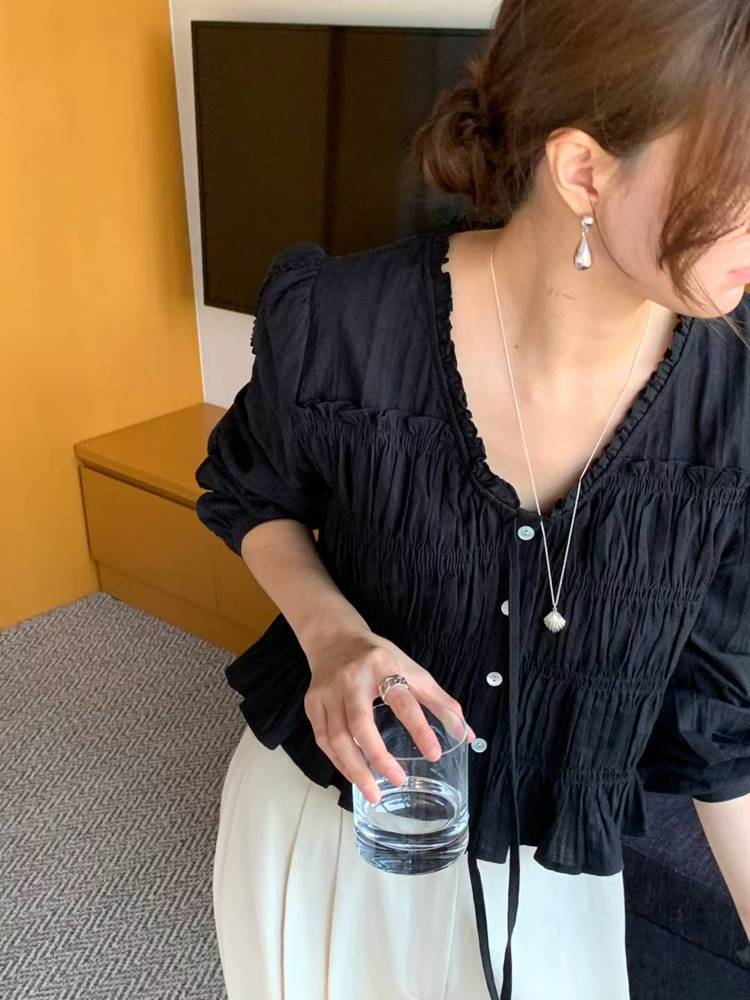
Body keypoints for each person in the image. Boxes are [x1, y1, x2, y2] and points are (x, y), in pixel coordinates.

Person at [194, 2, 750, 998]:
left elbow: (725, 721)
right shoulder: (340, 324)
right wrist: (332, 635)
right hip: (333, 836)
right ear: (583, 171)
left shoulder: (735, 407)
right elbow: (250, 489)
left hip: (558, 883)